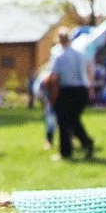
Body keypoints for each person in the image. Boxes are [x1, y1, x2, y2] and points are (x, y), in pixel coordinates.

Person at [43, 28, 97, 161]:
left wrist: (49, 90)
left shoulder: (58, 55)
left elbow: (54, 76)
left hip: (66, 91)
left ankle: (66, 152)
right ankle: (87, 143)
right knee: (73, 120)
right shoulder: (81, 53)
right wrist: (90, 88)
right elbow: (89, 70)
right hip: (81, 91)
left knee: (63, 122)